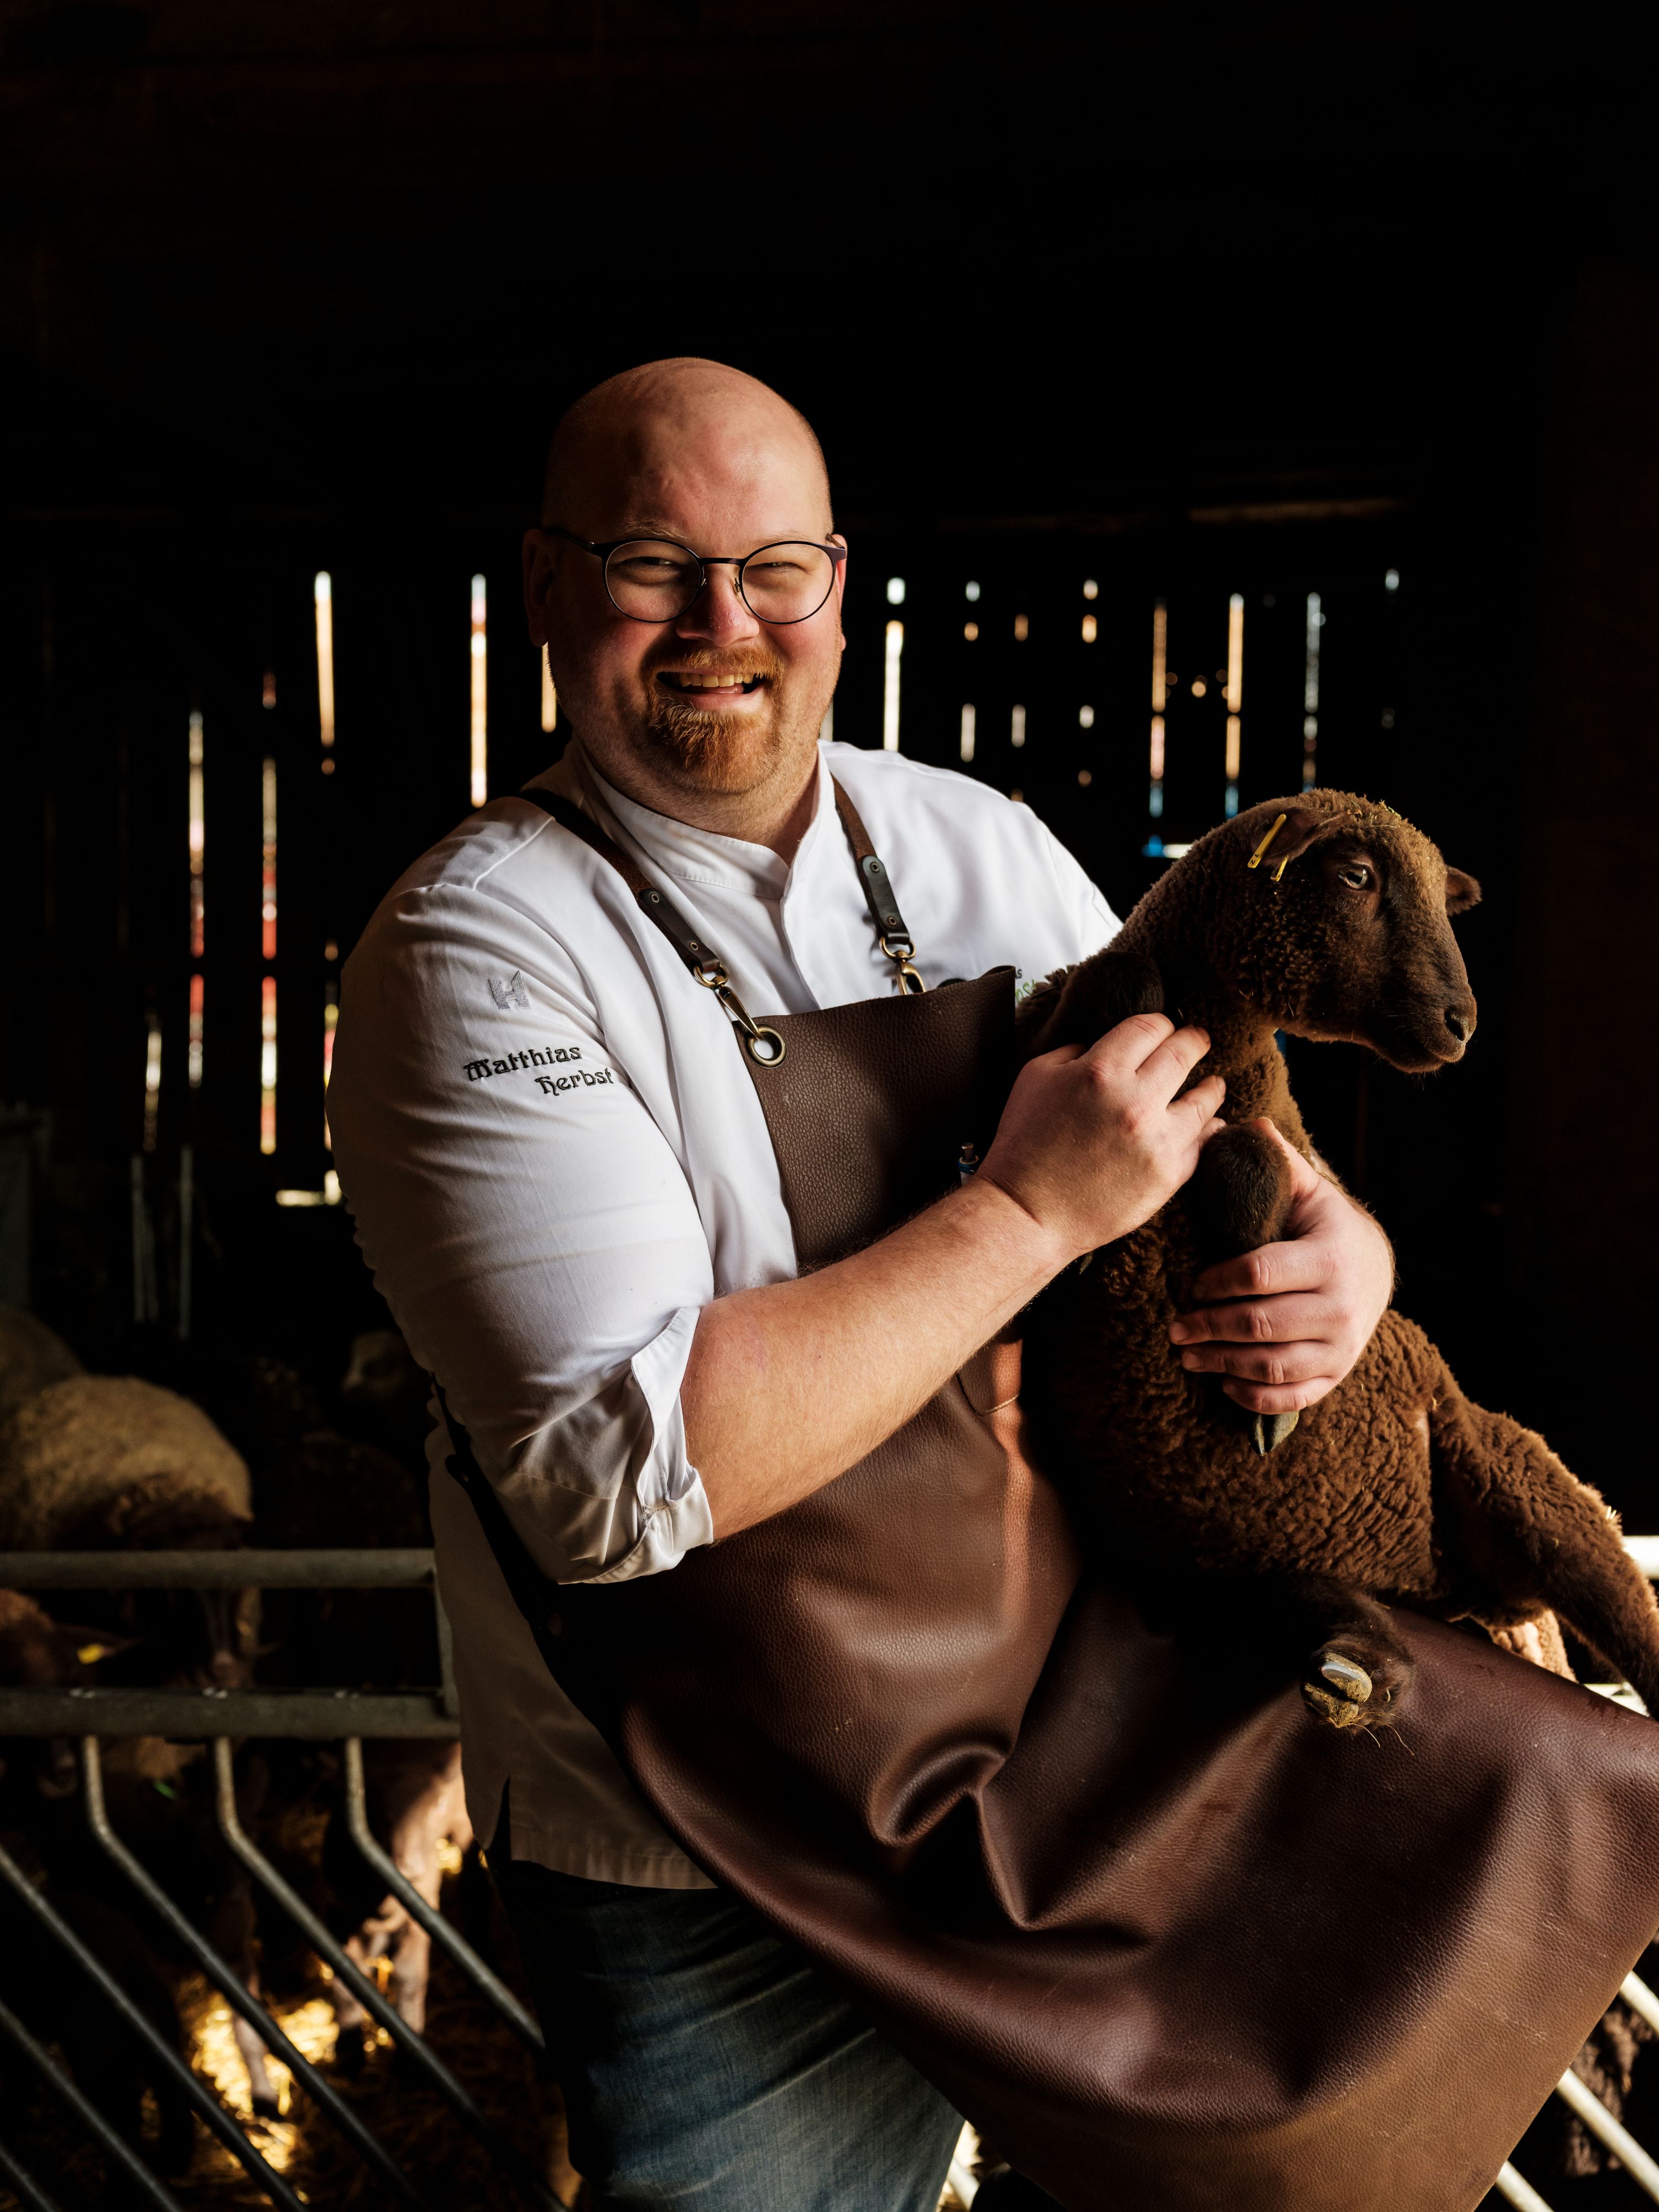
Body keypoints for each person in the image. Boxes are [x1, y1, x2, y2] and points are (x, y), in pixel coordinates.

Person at [327, 357, 1393, 2210]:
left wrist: (1339, 1249)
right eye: (655, 562)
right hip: (717, 1867)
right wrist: (1030, 1215)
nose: (725, 625)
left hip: (1077, 1784)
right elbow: (616, 1480)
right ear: (546, 587)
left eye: (777, 566)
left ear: (841, 583)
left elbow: (1235, 1145)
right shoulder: (477, 948)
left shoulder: (981, 849)